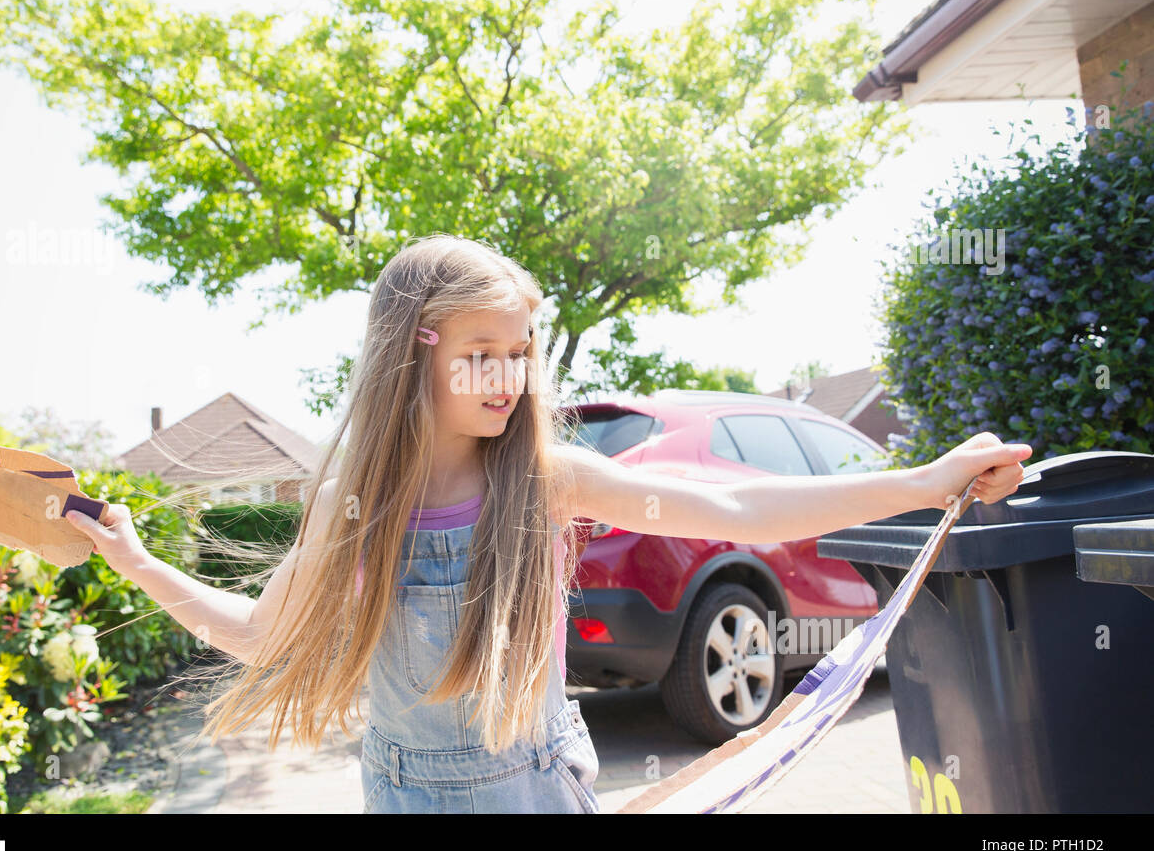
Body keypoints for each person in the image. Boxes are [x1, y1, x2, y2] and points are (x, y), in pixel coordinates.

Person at [65, 233, 1033, 813]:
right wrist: (139, 559)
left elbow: (739, 505)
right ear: (412, 356)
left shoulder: (546, 479)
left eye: (520, 351)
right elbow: (259, 633)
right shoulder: (350, 506)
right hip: (400, 792)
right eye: (481, 350)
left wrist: (924, 478)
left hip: (534, 789)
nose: (507, 375)